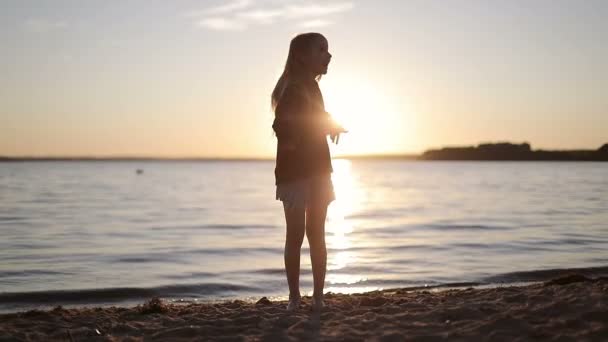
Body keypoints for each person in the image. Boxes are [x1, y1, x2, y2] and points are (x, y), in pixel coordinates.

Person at [271, 32, 347, 312]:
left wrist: (332, 125)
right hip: (296, 174)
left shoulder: (312, 88)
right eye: (322, 49)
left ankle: (317, 297)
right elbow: (284, 124)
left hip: (317, 170)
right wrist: (291, 143)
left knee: (316, 233)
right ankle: (295, 297)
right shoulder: (293, 88)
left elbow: (315, 116)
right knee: (298, 235)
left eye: (328, 49)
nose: (329, 55)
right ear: (302, 56)